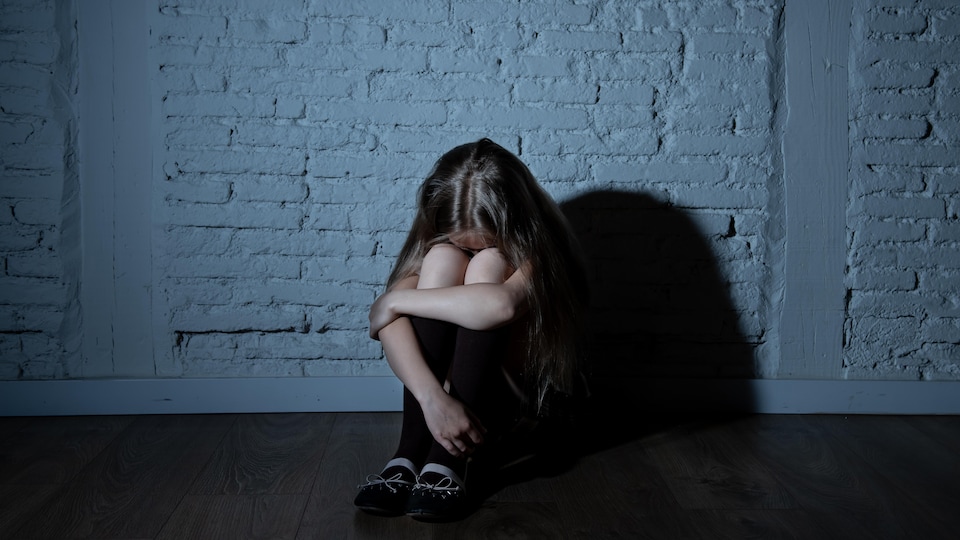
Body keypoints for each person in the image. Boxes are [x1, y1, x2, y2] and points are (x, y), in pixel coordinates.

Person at [354, 138, 588, 521]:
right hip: (442, 405)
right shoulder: (440, 245)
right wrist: (433, 399)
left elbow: (501, 305)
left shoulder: (543, 250)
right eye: (466, 245)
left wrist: (394, 300)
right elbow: (391, 329)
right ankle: (411, 453)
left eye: (484, 242)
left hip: (512, 402)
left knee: (489, 269)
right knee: (441, 259)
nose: (472, 253)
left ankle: (449, 461)